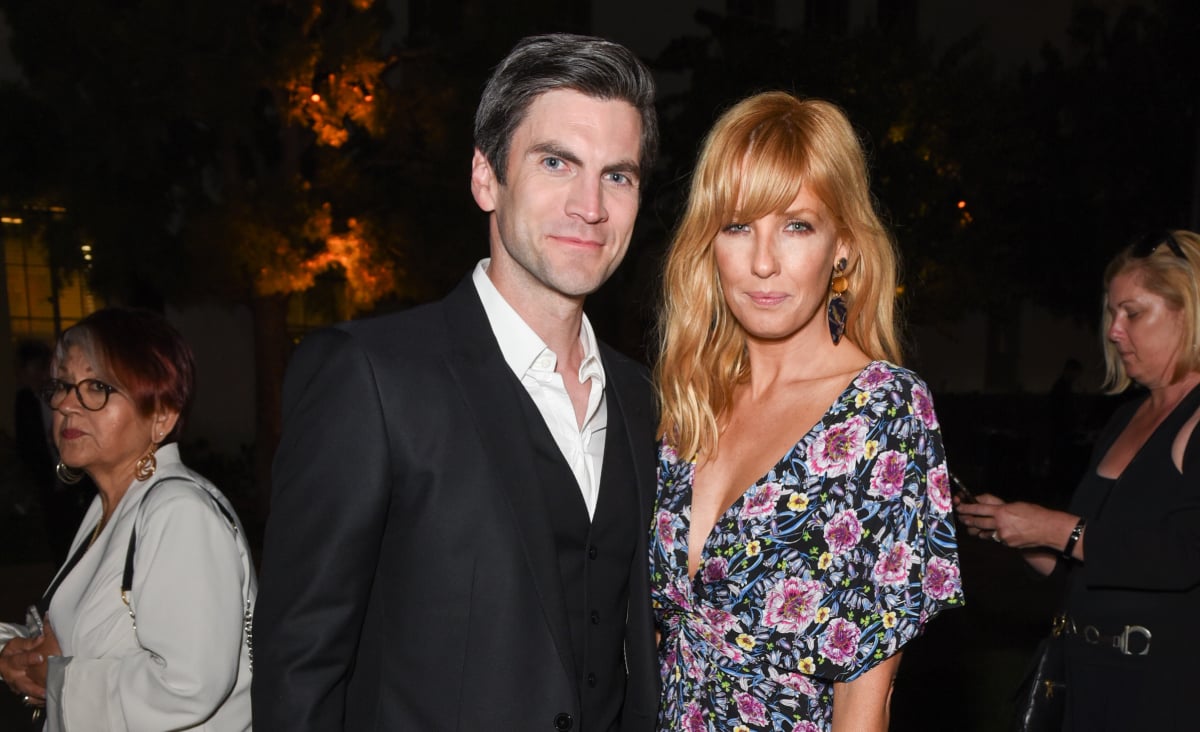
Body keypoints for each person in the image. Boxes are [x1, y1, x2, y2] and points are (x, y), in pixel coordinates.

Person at [252, 33, 660, 731]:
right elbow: (300, 664)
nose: (590, 206)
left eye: (617, 175)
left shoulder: (638, 395)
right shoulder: (371, 377)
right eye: (556, 162)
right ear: (485, 177)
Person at [652, 92, 964, 732]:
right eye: (738, 226)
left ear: (843, 247)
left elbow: (863, 700)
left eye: (797, 225)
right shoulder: (690, 399)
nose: (763, 262)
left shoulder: (883, 412)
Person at [957, 230, 1200, 730]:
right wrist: (1018, 533)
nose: (1114, 331)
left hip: (1164, 688)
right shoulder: (1125, 418)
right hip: (1087, 679)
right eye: (1111, 314)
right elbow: (1092, 561)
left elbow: (1181, 556)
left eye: (1133, 312)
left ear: (1189, 311)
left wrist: (1054, 528)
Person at [0, 308, 255, 731]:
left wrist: (59, 678)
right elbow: (77, 624)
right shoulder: (113, 506)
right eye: (63, 385)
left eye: (96, 386)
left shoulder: (178, 511)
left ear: (162, 416)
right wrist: (13, 651)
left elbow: (189, 685)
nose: (64, 403)